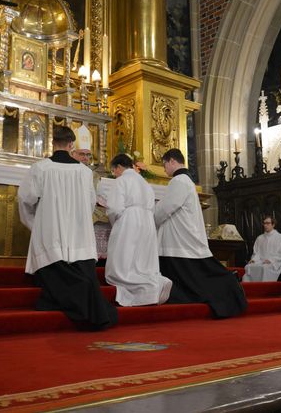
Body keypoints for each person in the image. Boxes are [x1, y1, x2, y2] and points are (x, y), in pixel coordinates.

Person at [17, 125, 117, 330]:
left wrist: (36, 225)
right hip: (78, 235)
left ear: (53, 143)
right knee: (82, 273)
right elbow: (90, 202)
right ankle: (93, 308)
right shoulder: (83, 171)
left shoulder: (41, 168)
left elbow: (26, 199)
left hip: (52, 233)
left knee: (56, 270)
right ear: (72, 145)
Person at [154, 148, 247, 318]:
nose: (165, 169)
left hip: (179, 241)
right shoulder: (185, 180)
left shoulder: (179, 181)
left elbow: (166, 207)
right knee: (195, 277)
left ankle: (230, 283)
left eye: (165, 165)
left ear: (173, 161)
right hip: (180, 239)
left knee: (197, 277)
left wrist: (150, 217)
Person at [104, 153, 172, 306]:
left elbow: (114, 208)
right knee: (142, 262)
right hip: (147, 222)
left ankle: (148, 287)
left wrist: (116, 224)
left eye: (114, 171)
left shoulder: (121, 181)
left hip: (129, 221)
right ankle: (156, 282)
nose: (114, 175)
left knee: (124, 265)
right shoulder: (145, 183)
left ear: (119, 167)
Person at [243, 216, 281, 282]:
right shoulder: (260, 238)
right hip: (260, 261)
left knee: (264, 268)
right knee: (248, 267)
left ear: (273, 224)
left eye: (268, 223)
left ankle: (263, 289)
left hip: (273, 263)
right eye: (264, 223)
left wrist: (271, 260)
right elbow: (256, 253)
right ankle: (250, 289)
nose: (265, 225)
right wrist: (254, 260)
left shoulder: (279, 238)